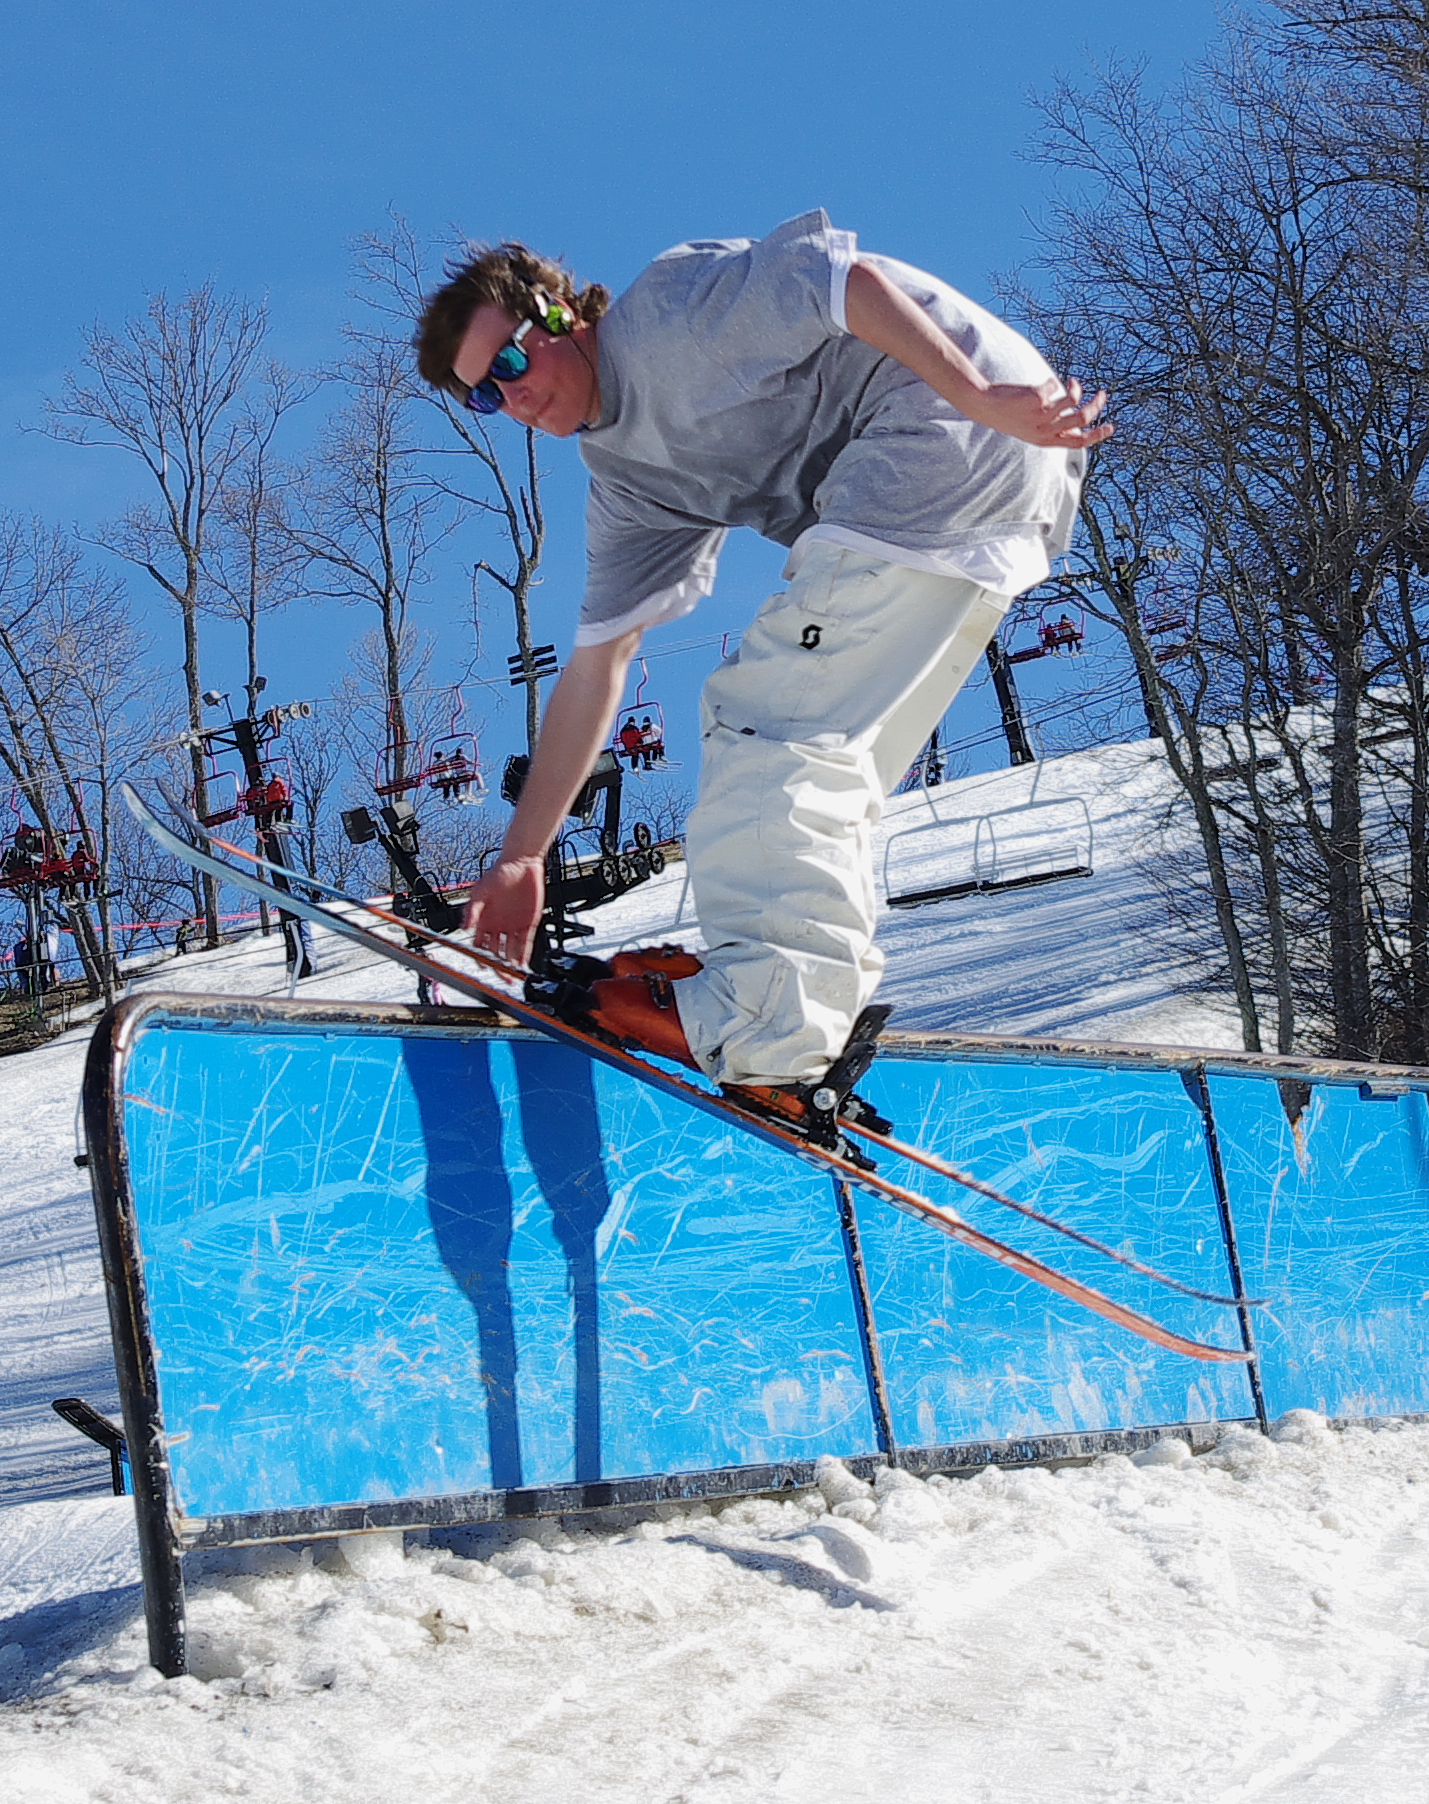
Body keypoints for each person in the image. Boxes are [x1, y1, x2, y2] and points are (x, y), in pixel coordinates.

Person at [414, 211, 1110, 1134]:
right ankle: (800, 1021)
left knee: (763, 722)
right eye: (483, 400)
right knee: (828, 764)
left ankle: (769, 1024)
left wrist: (977, 393)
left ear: (554, 316)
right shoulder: (626, 477)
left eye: (510, 365)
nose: (514, 401)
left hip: (944, 438)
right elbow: (598, 665)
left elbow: (844, 284)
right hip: (989, 500)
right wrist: (522, 855)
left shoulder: (663, 321)